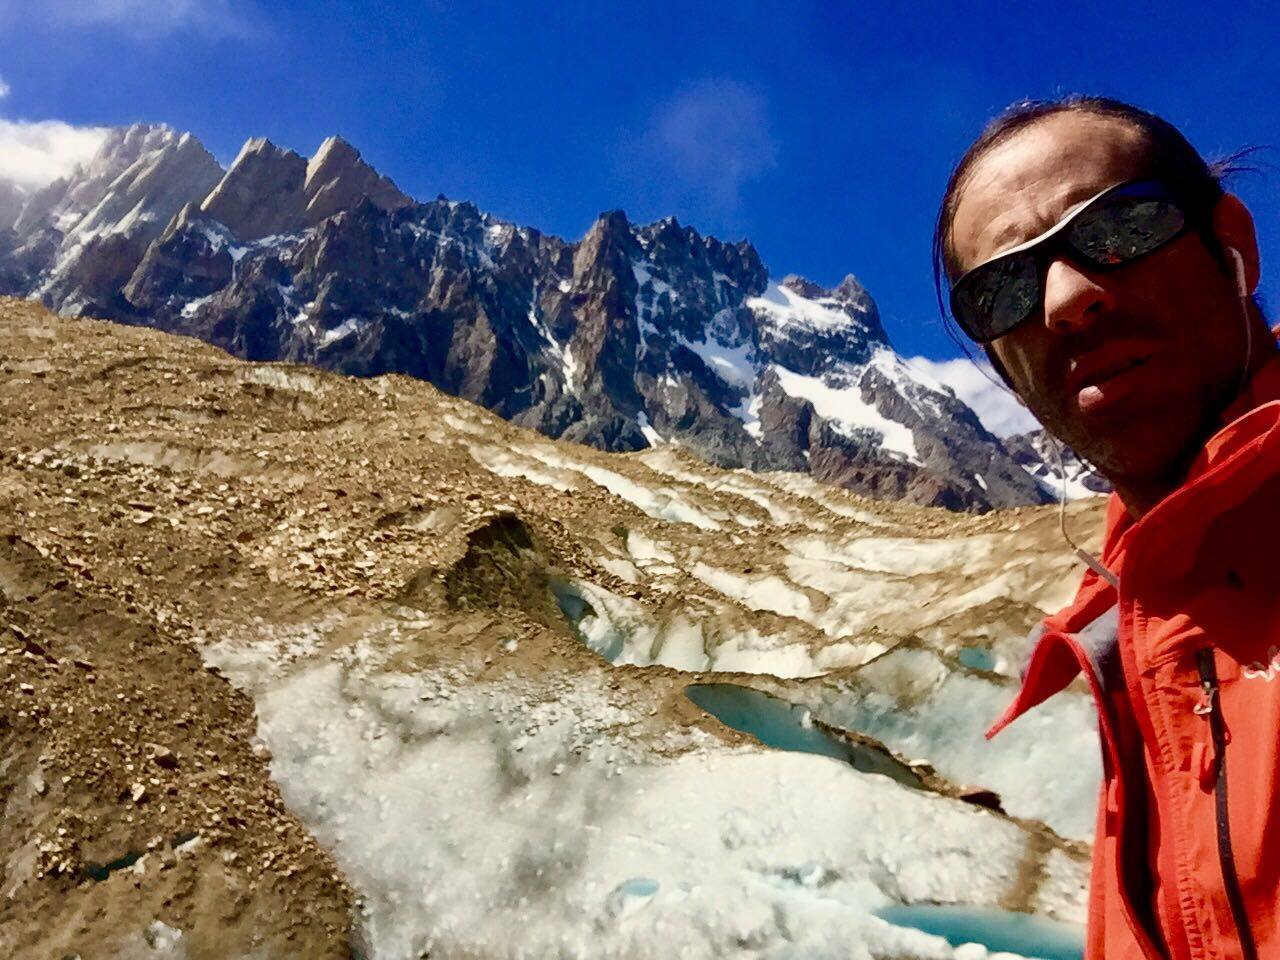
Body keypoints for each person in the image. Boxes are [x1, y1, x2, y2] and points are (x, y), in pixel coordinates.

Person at [936, 95, 1280, 960]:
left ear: (1231, 246)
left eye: (1119, 228)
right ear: (1007, 375)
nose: (1066, 298)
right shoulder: (1124, 634)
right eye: (1002, 289)